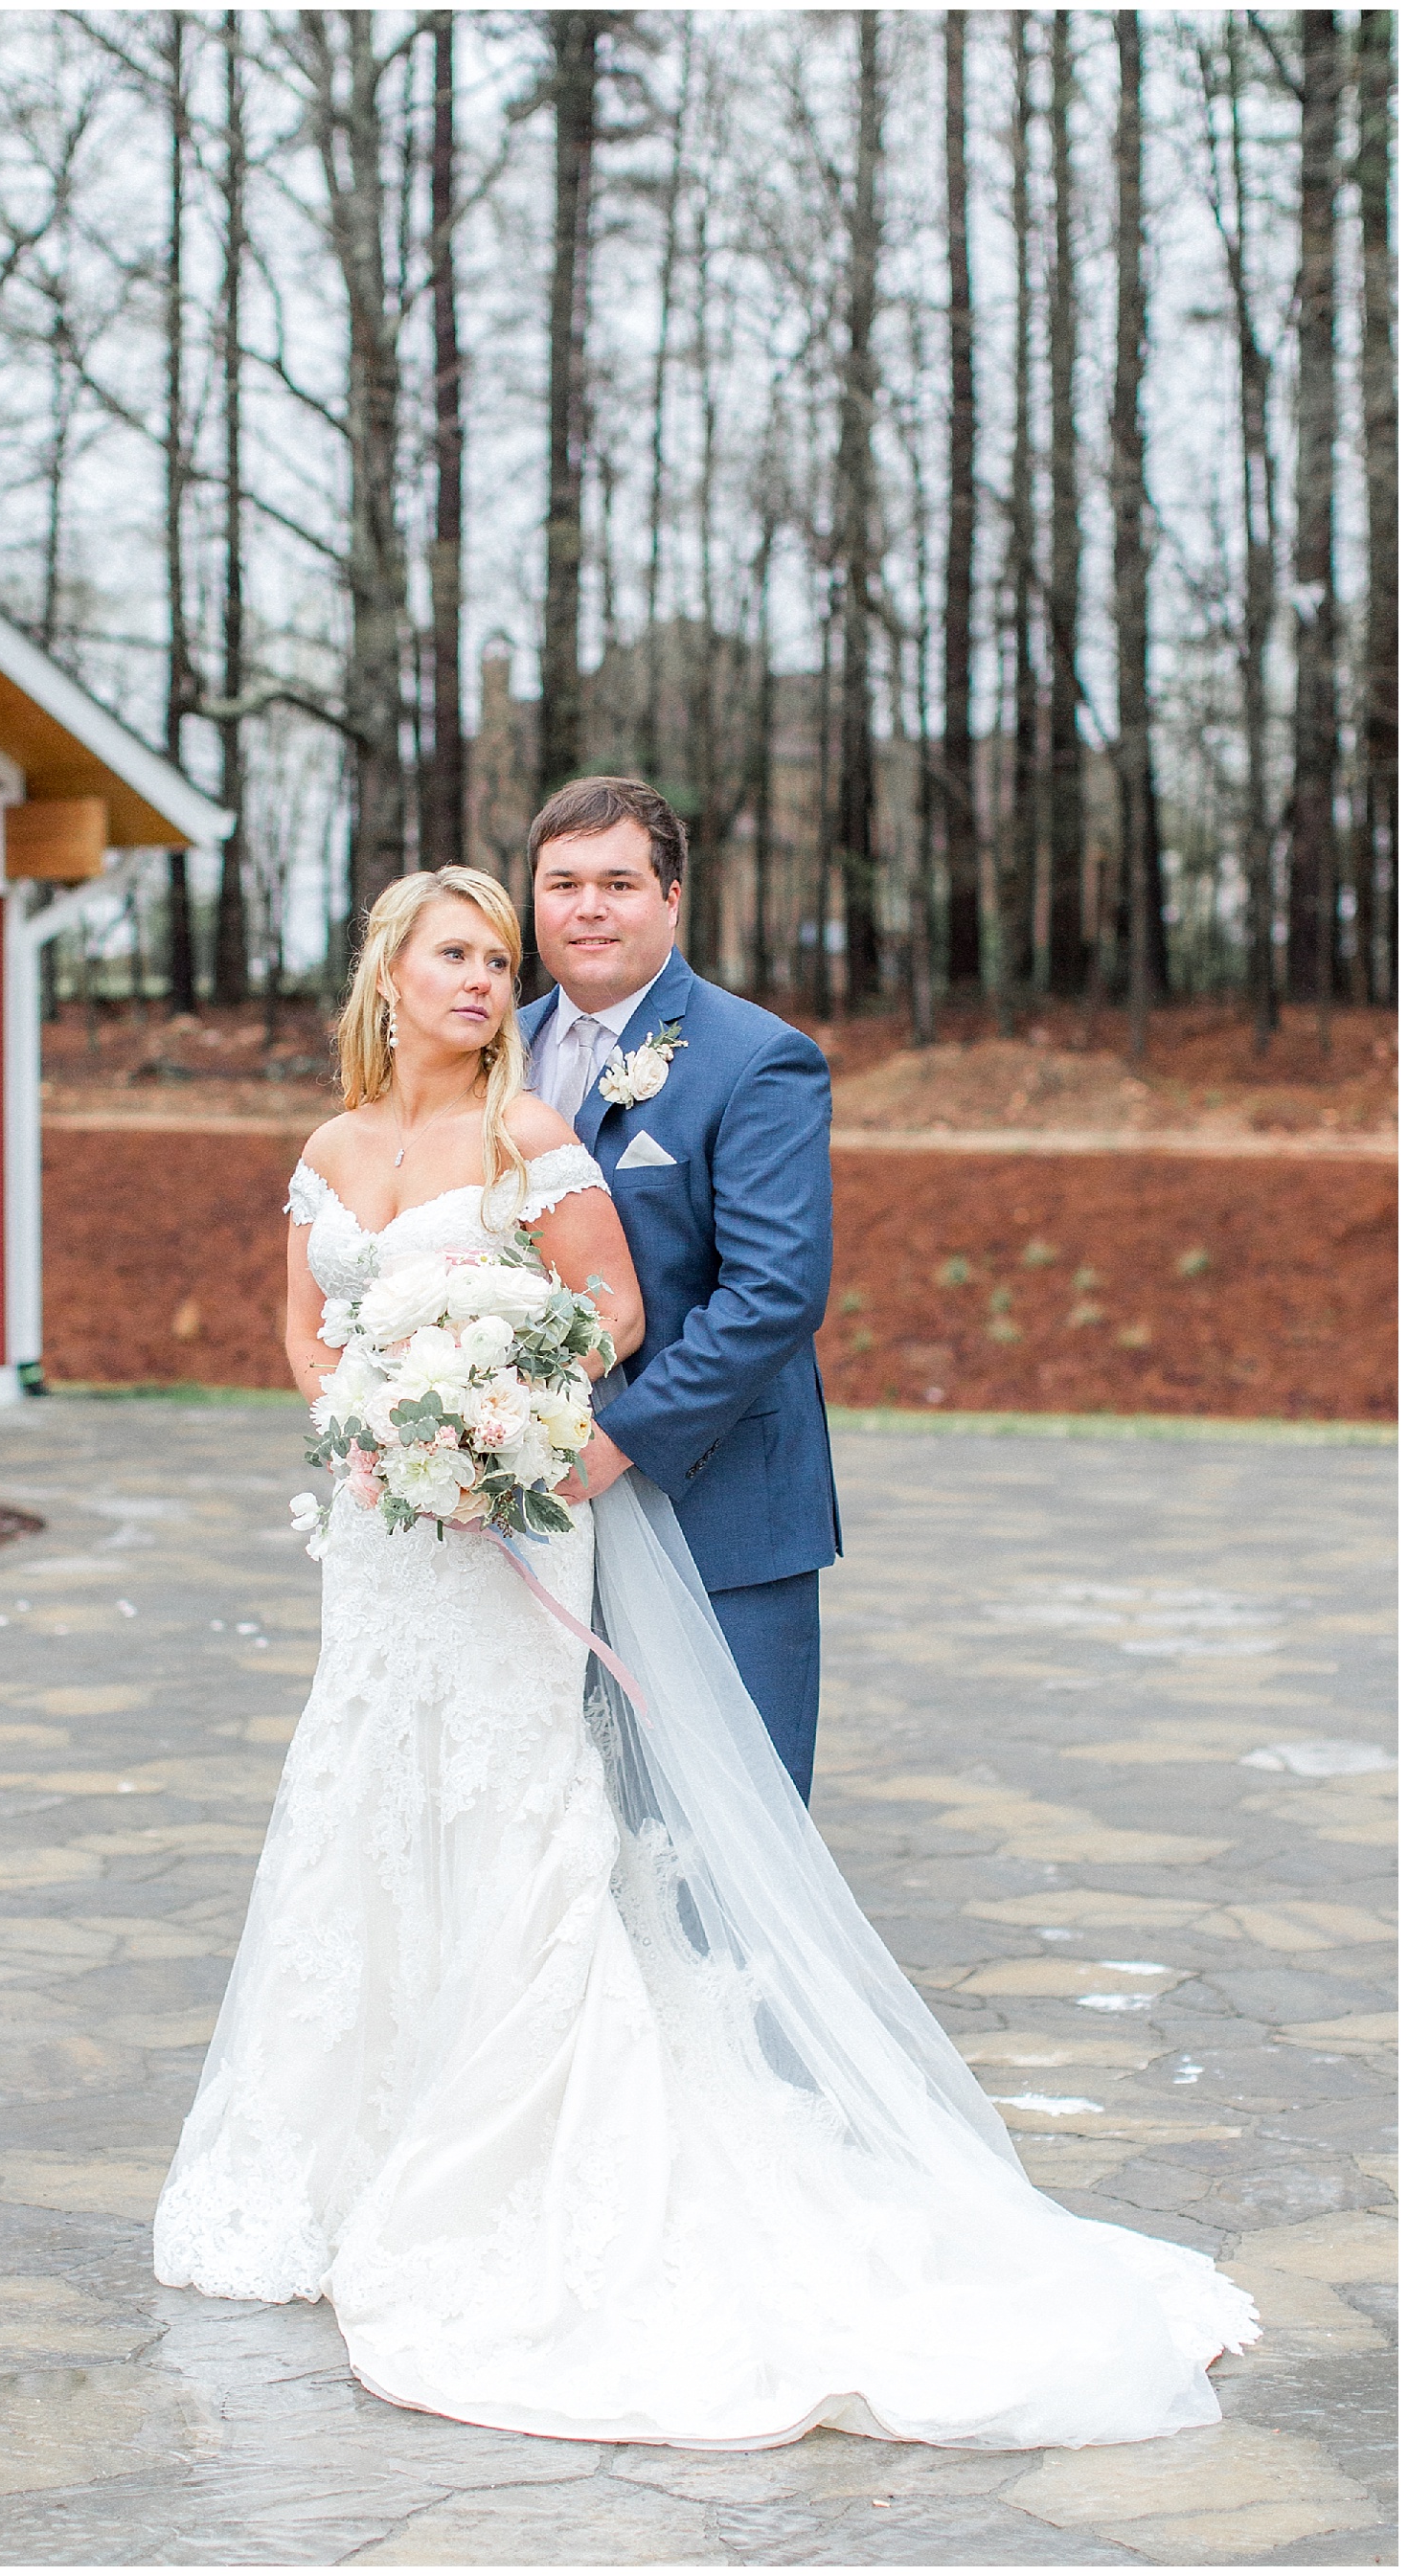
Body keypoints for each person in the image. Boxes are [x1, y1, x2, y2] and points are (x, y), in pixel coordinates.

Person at [153, 862, 1256, 2452]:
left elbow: (612, 1309)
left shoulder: (534, 1130)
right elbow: (304, 1332)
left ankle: (526, 2162)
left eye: (500, 956)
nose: (487, 979)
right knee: (362, 1807)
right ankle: (348, 2151)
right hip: (386, 1538)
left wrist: (491, 1409)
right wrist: (370, 1417)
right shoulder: (329, 1149)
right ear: (390, 971)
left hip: (510, 1506)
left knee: (522, 1812)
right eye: (460, 952)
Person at [521, 776, 838, 1800]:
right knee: (560, 1821)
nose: (589, 906)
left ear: (670, 898)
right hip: (526, 1515)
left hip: (717, 1505)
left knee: (731, 1825)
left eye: (618, 880)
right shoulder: (491, 1055)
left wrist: (616, 1441)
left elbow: (773, 1292)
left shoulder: (757, 1059)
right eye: (563, 882)